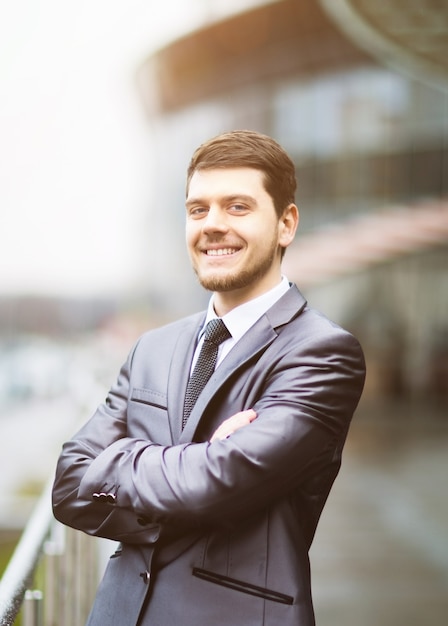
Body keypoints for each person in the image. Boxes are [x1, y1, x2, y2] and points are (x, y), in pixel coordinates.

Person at [52, 129, 366, 626]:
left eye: (237, 206)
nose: (212, 225)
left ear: (286, 224)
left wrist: (116, 465)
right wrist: (190, 471)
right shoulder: (151, 348)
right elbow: (69, 486)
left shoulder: (322, 353)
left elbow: (217, 481)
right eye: (198, 209)